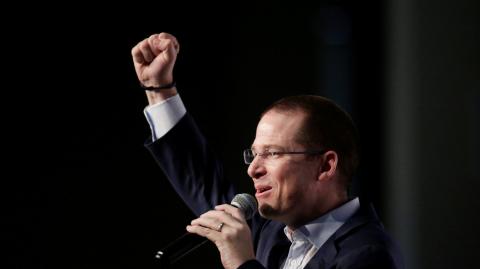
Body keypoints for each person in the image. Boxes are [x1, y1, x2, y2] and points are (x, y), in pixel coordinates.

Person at [131, 32, 404, 269]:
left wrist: (243, 265)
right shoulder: (269, 230)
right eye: (253, 154)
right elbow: (200, 178)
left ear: (325, 166)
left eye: (272, 153)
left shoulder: (368, 255)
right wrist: (159, 88)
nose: (253, 169)